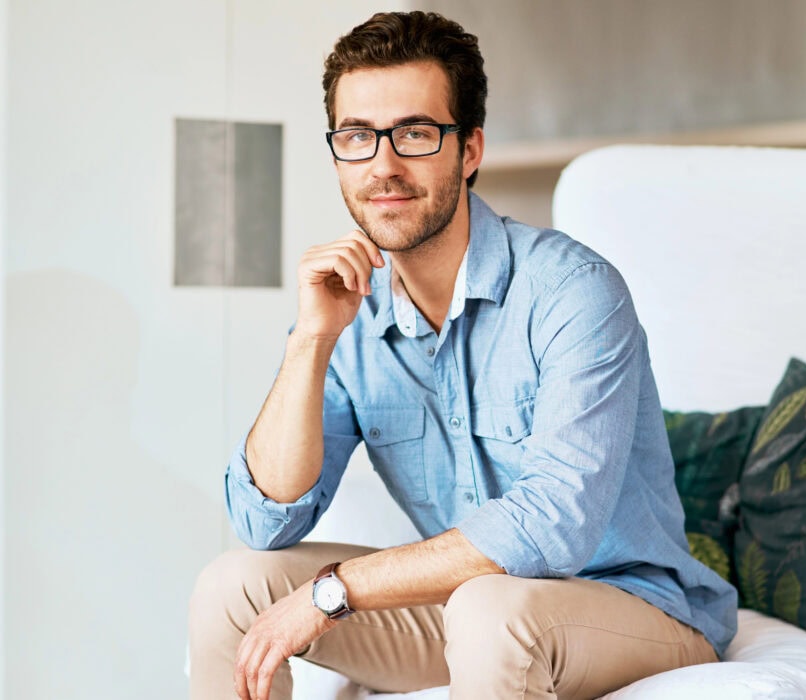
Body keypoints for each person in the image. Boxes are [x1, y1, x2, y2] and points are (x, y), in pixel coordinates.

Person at [189, 10, 737, 700]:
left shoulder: (573, 290)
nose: (383, 167)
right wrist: (311, 341)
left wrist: (335, 591)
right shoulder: (350, 311)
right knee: (232, 585)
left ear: (469, 149)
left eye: (415, 134)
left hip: (635, 611)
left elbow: (553, 525)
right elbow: (267, 521)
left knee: (489, 608)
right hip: (475, 612)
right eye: (358, 137)